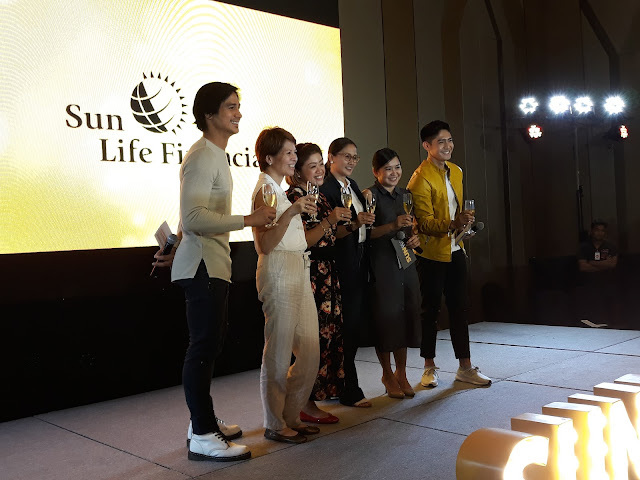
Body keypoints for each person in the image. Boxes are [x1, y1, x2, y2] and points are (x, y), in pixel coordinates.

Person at [169, 82, 276, 462]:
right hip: (203, 266)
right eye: (230, 107)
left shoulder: (214, 154)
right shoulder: (202, 156)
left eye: (238, 106)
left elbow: (189, 218)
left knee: (209, 347)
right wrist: (250, 219)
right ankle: (201, 432)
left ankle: (202, 420)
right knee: (202, 348)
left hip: (209, 263)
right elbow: (195, 216)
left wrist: (176, 243)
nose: (238, 113)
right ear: (209, 114)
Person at [407, 120, 491, 388]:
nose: (447, 146)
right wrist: (452, 224)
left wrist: (463, 224)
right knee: (430, 310)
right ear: (427, 146)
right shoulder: (419, 178)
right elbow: (425, 223)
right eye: (440, 141)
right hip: (431, 254)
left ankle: (465, 367)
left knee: (459, 308)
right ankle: (429, 367)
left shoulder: (456, 170)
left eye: (450, 140)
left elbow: (454, 212)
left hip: (456, 248)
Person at [251, 127, 322, 444]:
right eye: (289, 153)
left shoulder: (278, 191)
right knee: (278, 353)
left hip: (298, 267)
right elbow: (264, 244)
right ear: (269, 158)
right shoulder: (264, 191)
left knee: (309, 349)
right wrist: (292, 210)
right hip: (278, 268)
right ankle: (275, 423)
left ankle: (291, 414)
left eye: (295, 152)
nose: (295, 158)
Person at [286, 143, 352, 423]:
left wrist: (354, 223)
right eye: (311, 165)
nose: (319, 170)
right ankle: (304, 403)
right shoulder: (294, 197)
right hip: (310, 273)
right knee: (312, 342)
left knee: (329, 338)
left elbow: (332, 236)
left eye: (320, 164)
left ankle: (309, 401)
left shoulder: (321, 196)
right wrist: (329, 221)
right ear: (298, 171)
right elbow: (305, 241)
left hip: (328, 272)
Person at [319, 137, 376, 407]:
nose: (352, 161)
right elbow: (332, 232)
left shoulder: (351, 185)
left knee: (352, 328)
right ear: (331, 157)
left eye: (355, 157)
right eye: (346, 156)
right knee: (345, 329)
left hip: (358, 260)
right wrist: (356, 223)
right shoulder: (326, 188)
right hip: (339, 265)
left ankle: (339, 385)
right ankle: (348, 388)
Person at [366, 148, 421, 399]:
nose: (394, 173)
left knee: (407, 315)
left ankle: (402, 373)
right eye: (388, 168)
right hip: (382, 262)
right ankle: (387, 373)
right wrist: (391, 226)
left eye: (397, 167)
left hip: (405, 262)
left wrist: (414, 238)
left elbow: (412, 227)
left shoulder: (405, 195)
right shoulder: (369, 196)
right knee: (386, 319)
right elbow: (365, 234)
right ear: (376, 172)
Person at [577, 220, 619, 325]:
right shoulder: (583, 247)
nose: (600, 233)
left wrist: (591, 262)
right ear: (591, 231)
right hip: (589, 283)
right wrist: (604, 264)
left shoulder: (611, 246)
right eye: (597, 230)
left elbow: (612, 264)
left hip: (608, 282)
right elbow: (583, 267)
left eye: (602, 231)